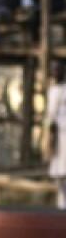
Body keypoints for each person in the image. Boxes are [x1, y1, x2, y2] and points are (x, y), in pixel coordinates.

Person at [47, 59, 66, 209]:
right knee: (58, 173)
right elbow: (50, 114)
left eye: (58, 69)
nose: (55, 72)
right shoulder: (51, 91)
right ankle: (61, 206)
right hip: (55, 135)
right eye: (53, 69)